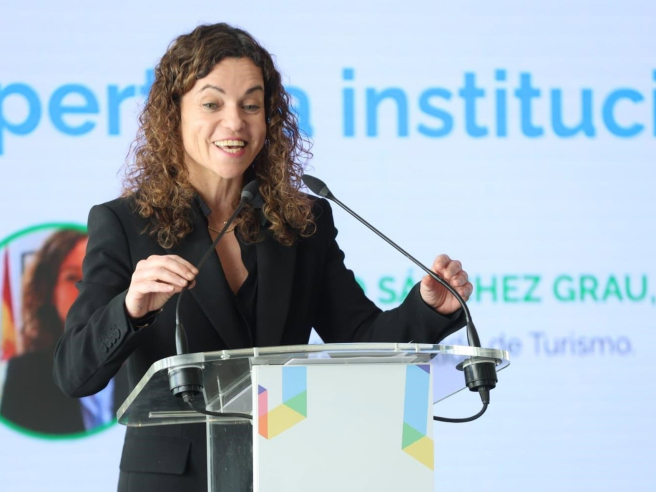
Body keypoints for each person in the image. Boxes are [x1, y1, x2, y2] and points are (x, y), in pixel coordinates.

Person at [53, 23, 474, 491]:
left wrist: (429, 309)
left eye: (251, 105)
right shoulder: (125, 223)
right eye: (212, 104)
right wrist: (131, 310)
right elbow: (74, 374)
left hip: (286, 470)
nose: (235, 122)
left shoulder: (302, 220)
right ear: (174, 115)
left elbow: (359, 338)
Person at [0, 229, 127, 435]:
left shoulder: (138, 360)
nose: (85, 289)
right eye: (72, 277)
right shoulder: (25, 374)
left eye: (95, 275)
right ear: (50, 290)